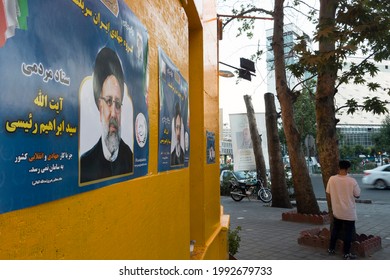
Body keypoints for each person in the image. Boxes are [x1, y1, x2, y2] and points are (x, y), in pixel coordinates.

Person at [80, 47, 133, 183]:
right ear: (100, 105)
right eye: (109, 101)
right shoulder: (85, 165)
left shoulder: (130, 160)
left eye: (118, 104)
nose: (114, 113)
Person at [326, 160, 361, 259]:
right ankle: (346, 254)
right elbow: (357, 195)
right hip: (349, 212)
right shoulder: (352, 181)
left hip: (337, 211)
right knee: (348, 233)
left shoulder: (332, 179)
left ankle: (331, 249)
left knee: (335, 230)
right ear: (348, 168)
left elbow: (328, 192)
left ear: (339, 167)